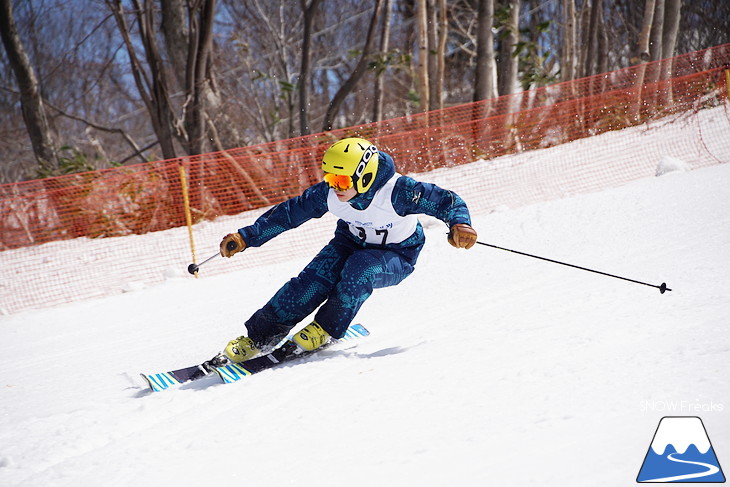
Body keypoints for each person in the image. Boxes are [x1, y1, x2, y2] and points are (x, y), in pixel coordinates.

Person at [219, 137, 477, 361]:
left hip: (398, 254)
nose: (335, 186)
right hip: (349, 243)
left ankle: (325, 329)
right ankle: (259, 337)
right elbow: (289, 214)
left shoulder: (398, 192)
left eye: (342, 180)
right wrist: (247, 237)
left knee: (360, 269)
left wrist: (460, 224)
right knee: (310, 282)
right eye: (330, 177)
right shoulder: (329, 193)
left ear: (365, 175)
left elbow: (446, 201)